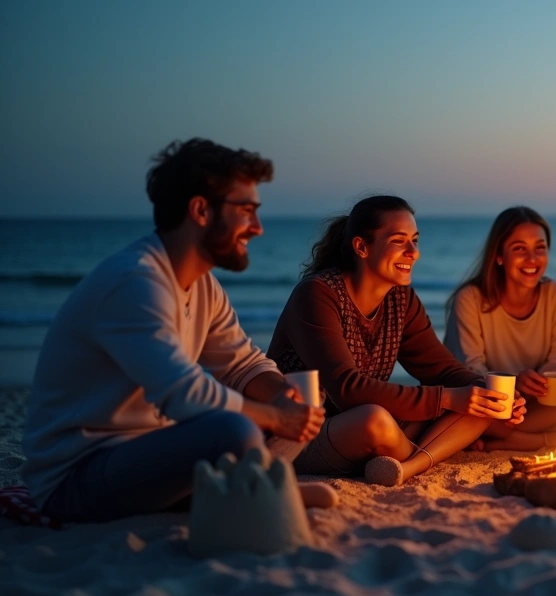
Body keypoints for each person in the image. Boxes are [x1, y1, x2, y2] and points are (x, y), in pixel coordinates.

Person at [22, 138, 328, 522]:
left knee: (303, 402)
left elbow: (240, 364)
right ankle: (257, 487)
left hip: (152, 455)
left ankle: (253, 485)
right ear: (200, 210)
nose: (258, 228)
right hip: (78, 477)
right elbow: (184, 395)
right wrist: (274, 418)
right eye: (246, 211)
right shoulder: (135, 282)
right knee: (232, 431)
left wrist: (287, 400)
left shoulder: (202, 285)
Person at [268, 195, 525, 485]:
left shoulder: (400, 299)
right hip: (305, 434)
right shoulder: (317, 294)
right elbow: (347, 389)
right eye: (398, 241)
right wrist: (449, 398)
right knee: (374, 420)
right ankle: (422, 455)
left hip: (379, 425)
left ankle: (408, 466)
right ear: (361, 247)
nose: (413, 252)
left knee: (479, 403)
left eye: (415, 240)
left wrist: (490, 392)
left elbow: (441, 369)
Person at [444, 206, 556, 452]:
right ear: (499, 256)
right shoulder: (470, 299)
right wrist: (515, 385)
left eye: (540, 247)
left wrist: (541, 383)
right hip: (480, 403)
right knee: (477, 415)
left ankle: (500, 438)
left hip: (529, 406)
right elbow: (471, 372)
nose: (532, 258)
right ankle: (538, 440)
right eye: (519, 249)